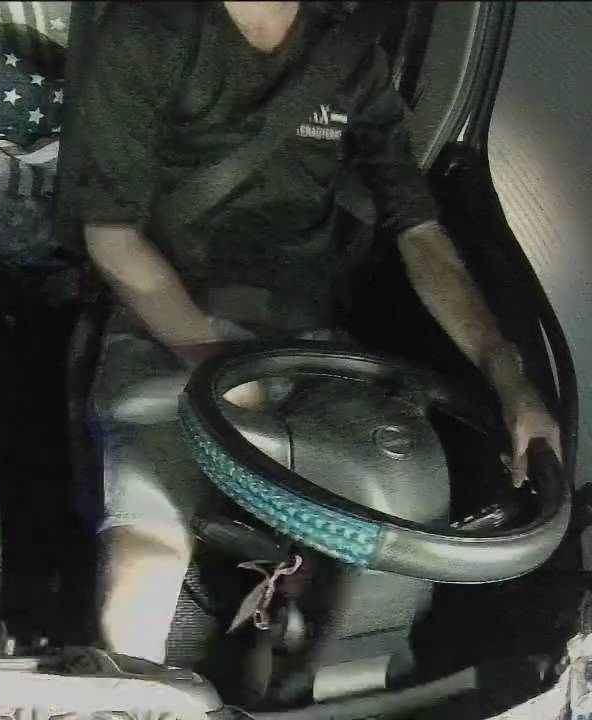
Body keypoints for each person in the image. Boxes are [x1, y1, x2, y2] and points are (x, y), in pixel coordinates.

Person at [75, 1, 564, 663]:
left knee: (406, 514)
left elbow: (420, 234)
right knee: (148, 551)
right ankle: (136, 692)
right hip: (167, 326)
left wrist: (509, 378)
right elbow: (111, 236)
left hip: (310, 346)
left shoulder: (348, 53)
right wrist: (217, 368)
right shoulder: (148, 31)